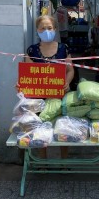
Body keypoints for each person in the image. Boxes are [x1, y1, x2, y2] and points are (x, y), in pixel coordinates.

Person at [17, 14, 75, 158]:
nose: (46, 31)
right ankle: (43, 160)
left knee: (63, 129)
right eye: (42, 28)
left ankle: (64, 161)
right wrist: (21, 85)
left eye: (49, 28)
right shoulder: (31, 51)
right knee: (40, 129)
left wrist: (67, 82)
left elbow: (70, 70)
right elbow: (27, 75)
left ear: (55, 29)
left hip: (59, 95)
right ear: (37, 30)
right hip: (38, 98)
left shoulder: (64, 48)